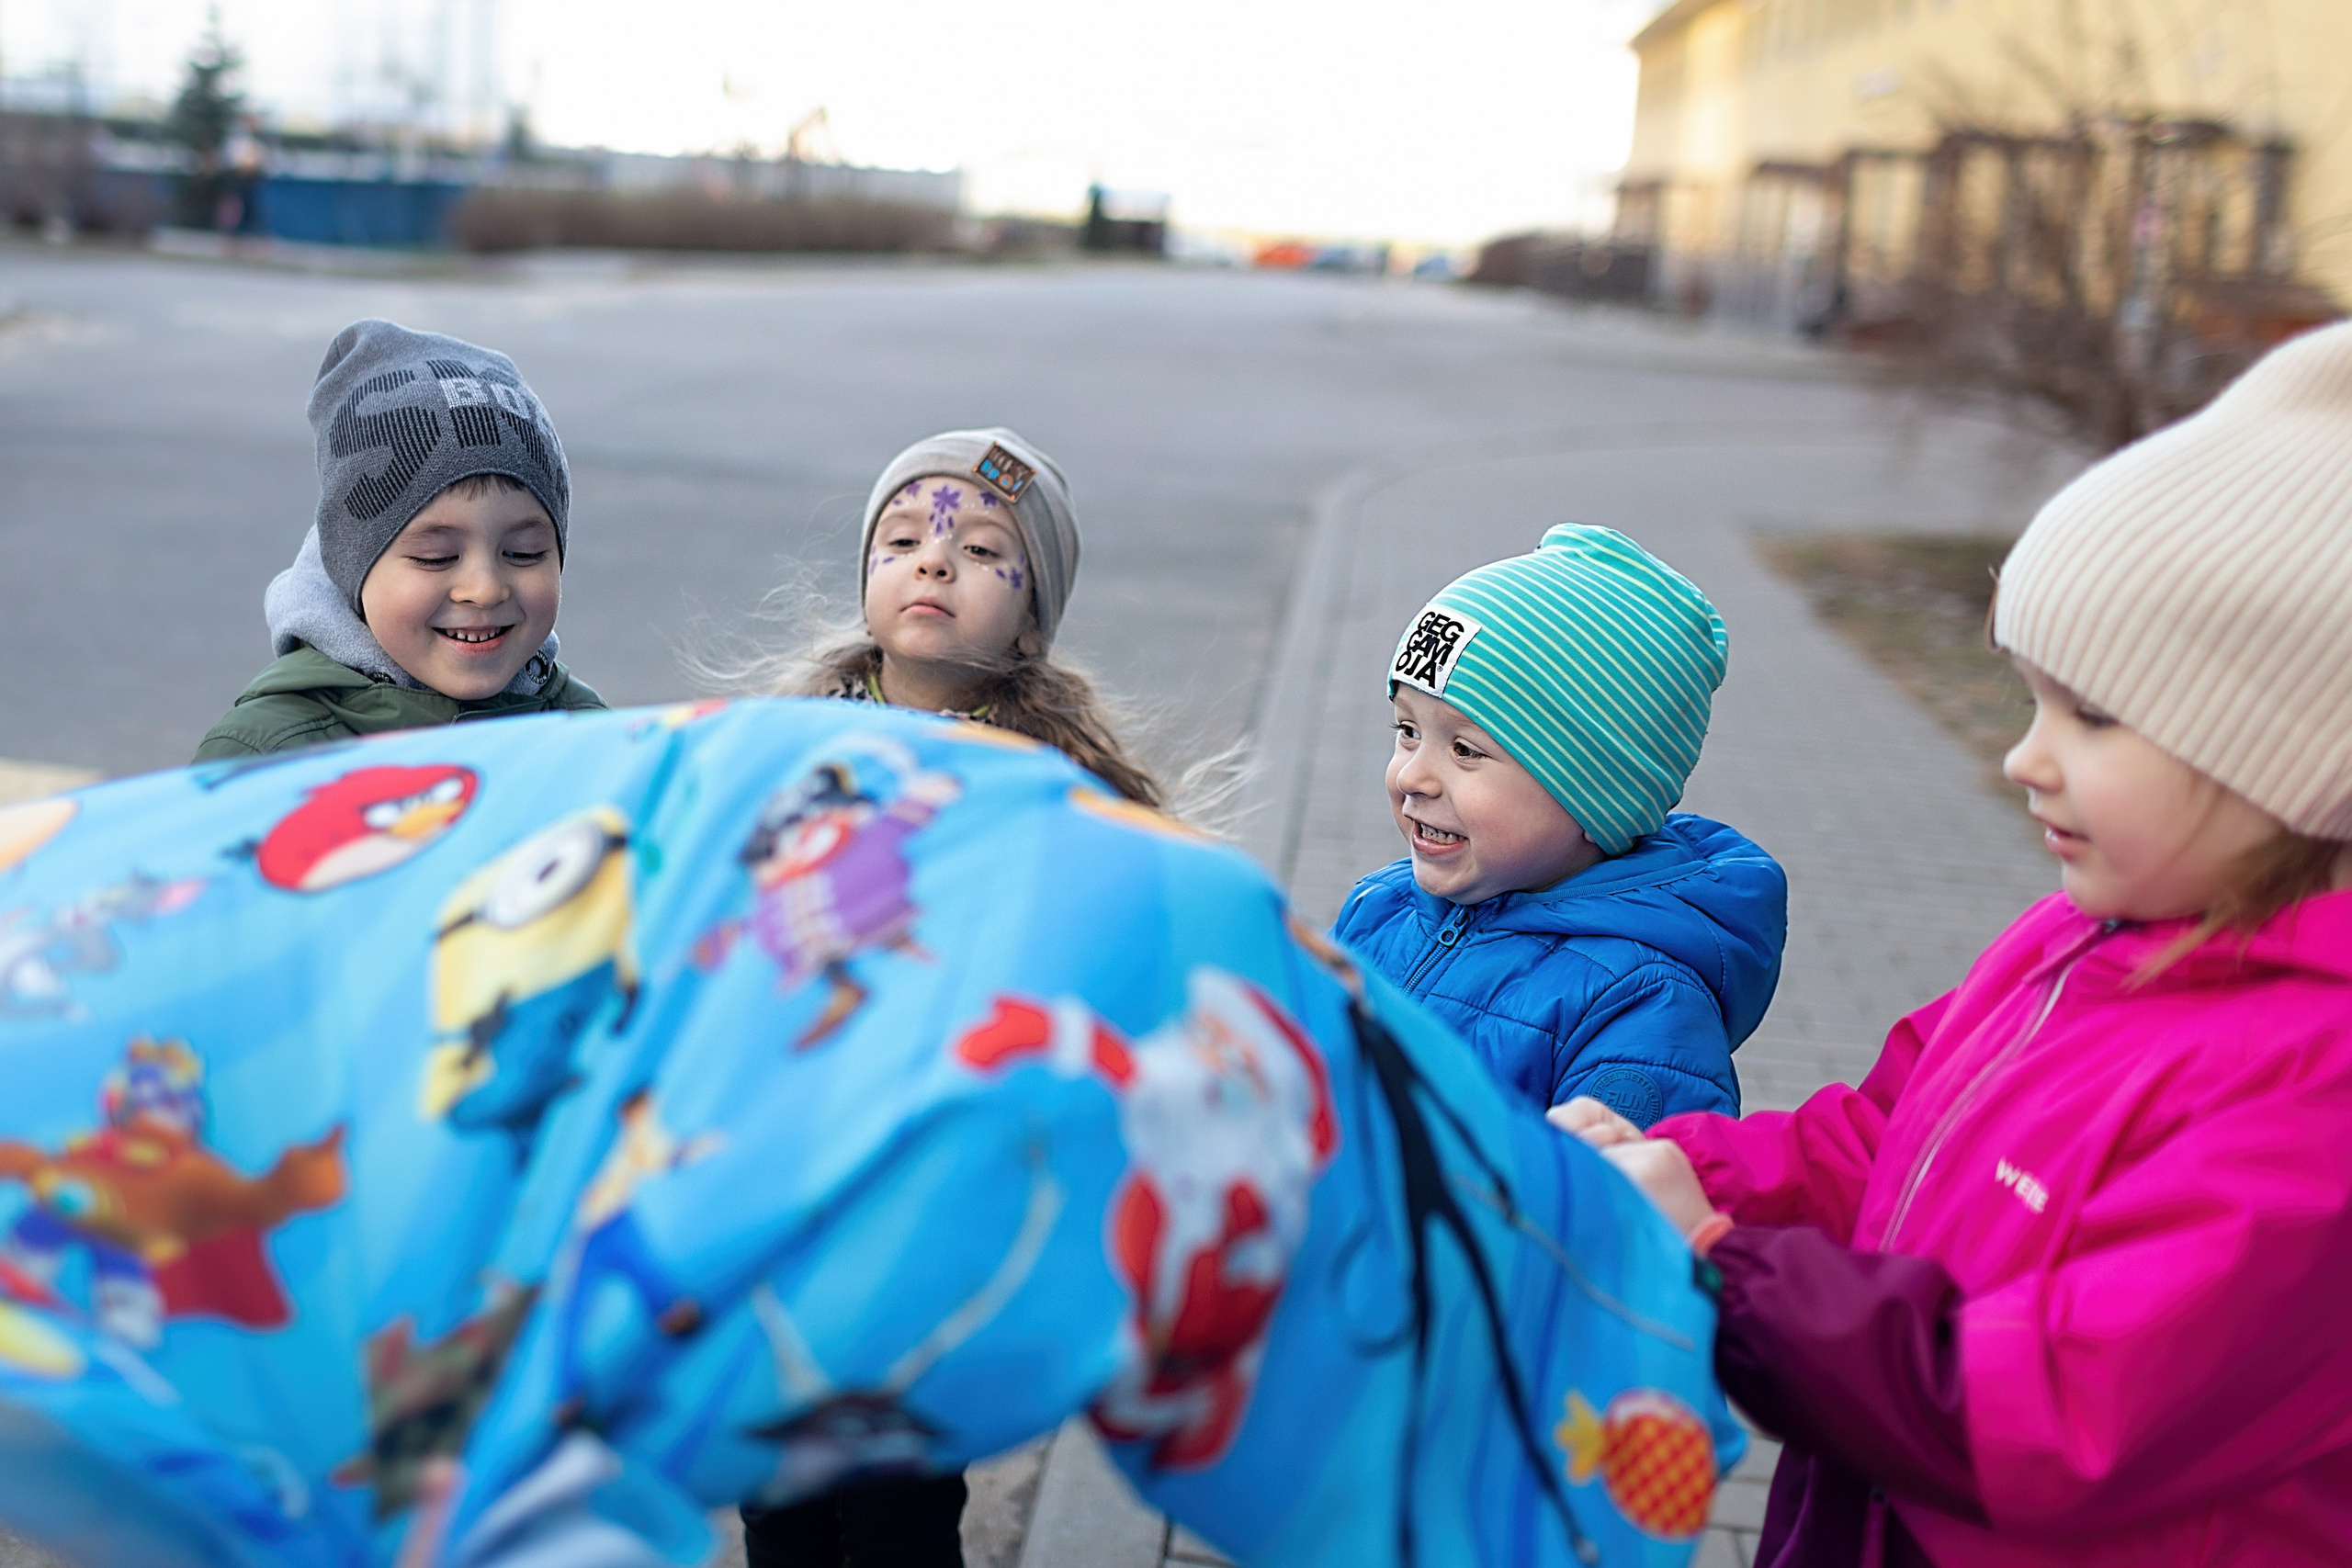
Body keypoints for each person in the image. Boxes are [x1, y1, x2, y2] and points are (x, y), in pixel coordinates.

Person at [1561, 321, 2352, 1566]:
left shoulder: (2319, 1090)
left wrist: (1721, 1263)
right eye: (2027, 698)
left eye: (2090, 715)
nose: (2023, 756)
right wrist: (1683, 1172)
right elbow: (1882, 1140)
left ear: (2286, 756)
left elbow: (2054, 1408)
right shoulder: (2076, 940)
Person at [738, 426, 1159, 1568]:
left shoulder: (1047, 782)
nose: (932, 563)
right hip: (794, 1172)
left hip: (936, 1186)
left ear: (1029, 617)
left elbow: (1104, 951)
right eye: (903, 539)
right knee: (774, 1479)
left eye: (979, 549)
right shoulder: (785, 747)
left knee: (900, 1491)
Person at [1329, 524, 1786, 1128]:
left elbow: (1616, 1211)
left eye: (1465, 749)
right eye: (1407, 730)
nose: (1414, 775)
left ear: (1595, 796)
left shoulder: (1640, 1006)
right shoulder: (1380, 908)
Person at [194, 319, 604, 761]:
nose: (485, 589)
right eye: (437, 557)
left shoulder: (593, 739)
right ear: (352, 566)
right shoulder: (265, 757)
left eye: (523, 553)